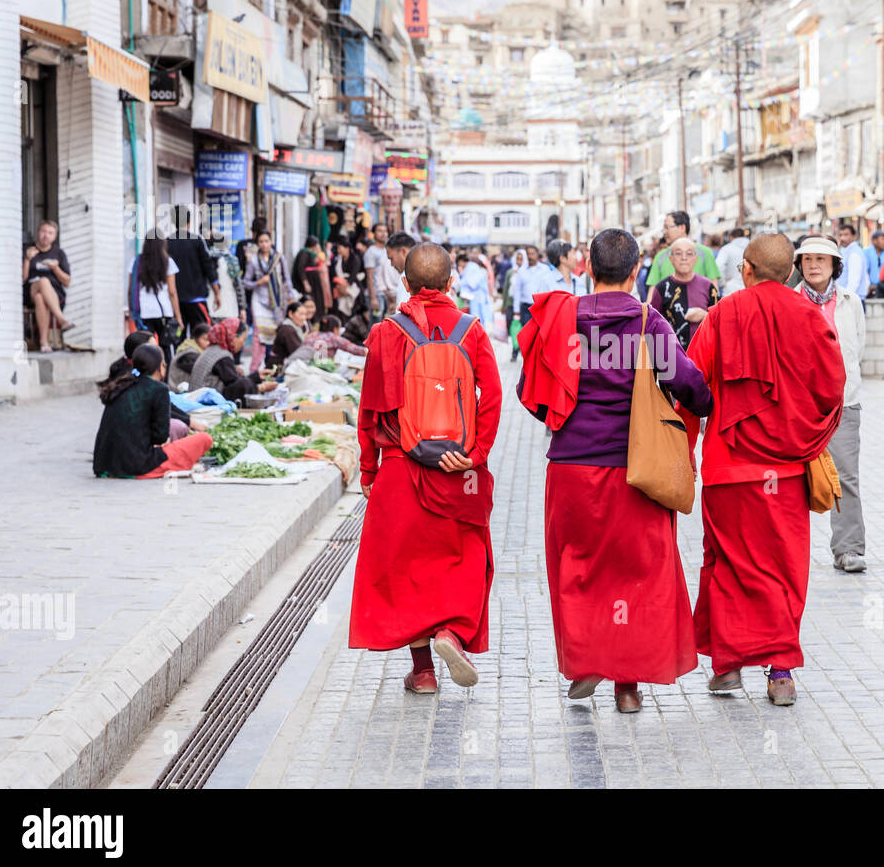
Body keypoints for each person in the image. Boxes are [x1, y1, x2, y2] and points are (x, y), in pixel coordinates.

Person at [516, 229, 712, 713]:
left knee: (578, 570)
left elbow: (531, 390)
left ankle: (586, 664)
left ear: (587, 267)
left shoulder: (563, 321)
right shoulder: (648, 322)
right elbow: (687, 383)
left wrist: (563, 421)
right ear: (634, 272)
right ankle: (627, 685)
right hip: (635, 469)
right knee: (637, 575)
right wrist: (704, 404)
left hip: (571, 469)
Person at [686, 233, 845, 707]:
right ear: (791, 271)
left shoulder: (722, 315)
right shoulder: (811, 318)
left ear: (747, 270)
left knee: (729, 564)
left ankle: (729, 666)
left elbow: (693, 382)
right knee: (783, 569)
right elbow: (833, 388)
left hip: (729, 468)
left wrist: (688, 443)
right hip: (788, 472)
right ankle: (780, 673)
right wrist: (808, 439)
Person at [350, 242, 502, 693]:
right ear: (451, 283)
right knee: (463, 559)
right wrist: (475, 456)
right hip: (457, 471)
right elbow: (492, 398)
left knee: (406, 571)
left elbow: (369, 411)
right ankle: (450, 633)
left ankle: (423, 673)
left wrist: (368, 469)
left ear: (405, 282)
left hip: (400, 466)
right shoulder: (471, 330)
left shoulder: (386, 333)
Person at [794, 235, 867, 573]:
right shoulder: (790, 301)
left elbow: (857, 348)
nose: (813, 265)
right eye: (807, 259)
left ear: (835, 265)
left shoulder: (851, 303)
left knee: (846, 478)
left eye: (821, 260)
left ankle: (848, 548)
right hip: (798, 407)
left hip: (843, 405)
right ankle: (790, 553)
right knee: (792, 481)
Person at [93, 343, 212, 478]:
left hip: (104, 465)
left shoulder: (120, 385)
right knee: (204, 439)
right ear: (160, 366)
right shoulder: (158, 389)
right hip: (136, 465)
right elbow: (160, 436)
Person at [646, 237, 719, 351]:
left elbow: (719, 321)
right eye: (678, 253)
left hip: (702, 353)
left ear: (695, 259)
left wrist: (705, 315)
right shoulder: (661, 288)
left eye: (689, 254)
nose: (684, 258)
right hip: (670, 355)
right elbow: (651, 323)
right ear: (671, 259)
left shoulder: (708, 287)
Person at [241, 231, 297, 373]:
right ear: (258, 244)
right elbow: (246, 282)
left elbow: (286, 279)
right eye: (261, 242)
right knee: (258, 335)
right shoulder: (254, 260)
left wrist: (290, 295)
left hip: (277, 302)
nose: (264, 244)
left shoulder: (279, 258)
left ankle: (271, 365)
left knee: (275, 334)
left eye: (267, 241)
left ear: (271, 241)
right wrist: (259, 282)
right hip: (259, 301)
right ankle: (254, 369)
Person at [189, 317, 278, 402]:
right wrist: (261, 387)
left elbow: (233, 381)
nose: (243, 344)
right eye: (243, 339)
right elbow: (238, 387)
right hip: (204, 403)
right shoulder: (222, 356)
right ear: (233, 337)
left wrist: (257, 376)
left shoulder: (213, 350)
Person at [130, 228, 183, 369]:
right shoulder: (168, 262)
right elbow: (172, 292)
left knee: (147, 348)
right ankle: (165, 377)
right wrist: (178, 317)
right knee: (166, 347)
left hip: (144, 312)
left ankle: (148, 375)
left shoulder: (137, 261)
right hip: (163, 312)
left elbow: (131, 289)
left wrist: (132, 311)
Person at [167, 205, 221, 329]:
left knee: (178, 339)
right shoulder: (197, 241)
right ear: (189, 221)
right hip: (197, 297)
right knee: (202, 335)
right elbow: (208, 267)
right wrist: (217, 292)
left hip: (175, 301)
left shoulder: (167, 242)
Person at [22, 220, 73, 351]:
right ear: (38, 233)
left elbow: (67, 282)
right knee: (43, 282)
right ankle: (61, 319)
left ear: (55, 236)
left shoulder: (59, 253)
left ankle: (44, 343)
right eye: (43, 231)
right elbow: (22, 279)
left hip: (54, 295)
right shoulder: (28, 250)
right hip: (30, 292)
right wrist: (27, 259)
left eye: (50, 233)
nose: (46, 235)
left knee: (40, 298)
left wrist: (56, 269)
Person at [645, 211, 721, 285]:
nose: (664, 232)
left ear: (682, 227)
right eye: (664, 229)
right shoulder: (660, 257)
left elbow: (713, 288)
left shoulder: (705, 253)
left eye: (667, 227)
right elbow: (653, 292)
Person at [293, 236, 331, 319]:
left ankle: (317, 318)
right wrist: (305, 283)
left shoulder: (312, 254)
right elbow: (300, 268)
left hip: (314, 282)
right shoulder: (304, 253)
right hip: (309, 282)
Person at [304, 315, 368, 359]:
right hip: (320, 368)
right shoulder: (333, 337)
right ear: (335, 329)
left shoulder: (311, 335)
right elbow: (354, 349)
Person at [834, 222, 869, 302]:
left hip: (851, 300)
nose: (842, 238)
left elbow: (854, 281)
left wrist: (845, 299)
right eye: (840, 235)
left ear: (854, 236)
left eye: (846, 235)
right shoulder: (847, 251)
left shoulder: (854, 253)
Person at [362, 222, 389, 321]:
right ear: (374, 233)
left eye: (385, 231)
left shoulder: (388, 250)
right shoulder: (371, 252)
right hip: (376, 295)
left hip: (386, 294)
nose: (383, 234)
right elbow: (369, 276)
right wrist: (373, 298)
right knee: (376, 326)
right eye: (380, 231)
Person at [716, 226, 752, 297]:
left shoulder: (726, 249)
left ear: (731, 237)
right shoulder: (753, 248)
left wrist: (722, 283)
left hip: (731, 291)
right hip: (750, 289)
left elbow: (719, 266)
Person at [381, 233, 414, 310]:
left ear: (403, 251)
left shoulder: (407, 276)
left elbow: (402, 314)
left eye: (391, 258)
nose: (392, 264)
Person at [270, 301, 307, 368]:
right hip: (278, 367)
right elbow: (297, 352)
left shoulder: (295, 327)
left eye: (305, 314)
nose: (304, 318)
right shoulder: (287, 330)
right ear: (290, 314)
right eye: (301, 314)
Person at [864, 230, 884, 296]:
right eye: (882, 239)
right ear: (874, 240)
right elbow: (864, 271)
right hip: (870, 288)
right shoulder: (866, 252)